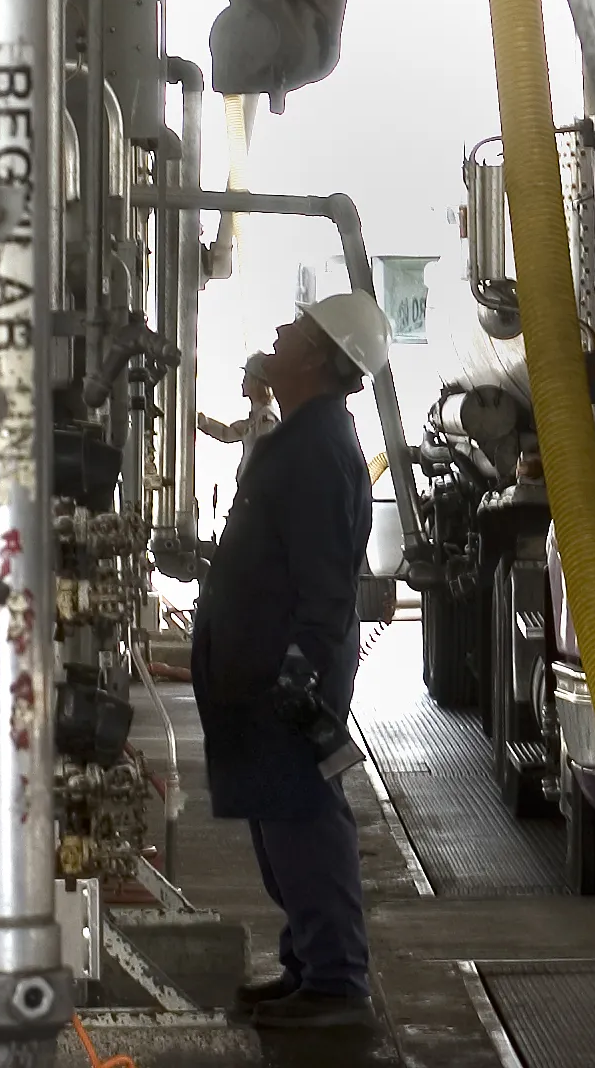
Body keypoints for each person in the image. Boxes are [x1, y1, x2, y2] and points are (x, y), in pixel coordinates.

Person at [190, 292, 391, 1031]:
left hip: (284, 678)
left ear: (319, 357)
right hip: (259, 672)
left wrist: (301, 669)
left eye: (295, 329)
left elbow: (327, 578)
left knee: (305, 820)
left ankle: (337, 981)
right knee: (281, 826)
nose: (278, 331)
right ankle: (308, 963)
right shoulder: (301, 435)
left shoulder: (318, 448)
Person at [198, 352, 281, 483]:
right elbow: (227, 433)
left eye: (246, 377)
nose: (243, 382)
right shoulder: (256, 417)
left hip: (257, 491)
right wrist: (203, 422)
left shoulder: (266, 418)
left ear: (256, 382)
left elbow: (267, 458)